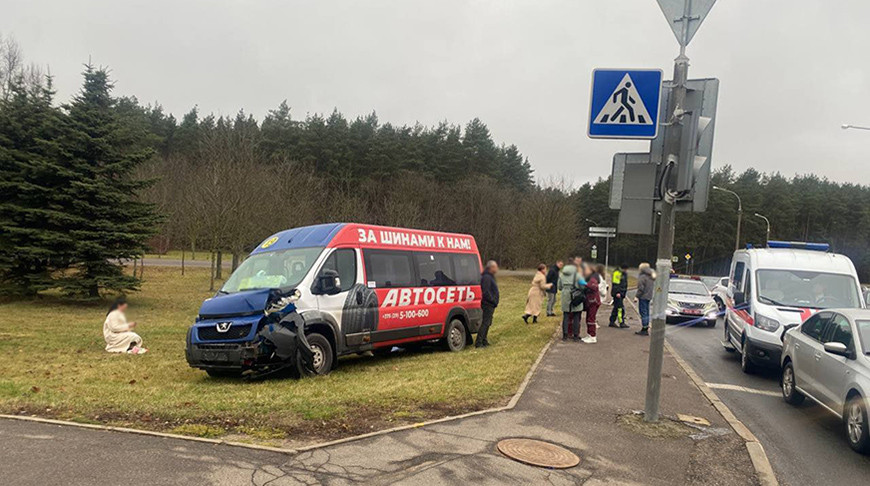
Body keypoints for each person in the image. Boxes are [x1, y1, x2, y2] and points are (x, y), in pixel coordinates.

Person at [560, 257, 586, 341]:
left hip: (565, 295)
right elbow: (582, 286)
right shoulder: (577, 275)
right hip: (575, 295)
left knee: (566, 316)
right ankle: (575, 336)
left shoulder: (561, 274)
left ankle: (565, 335)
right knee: (576, 316)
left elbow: (559, 287)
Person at [476, 260, 499, 348]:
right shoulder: (486, 277)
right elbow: (486, 291)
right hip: (487, 303)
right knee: (485, 322)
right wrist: (492, 300)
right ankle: (479, 342)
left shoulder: (490, 277)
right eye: (495, 267)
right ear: (491, 267)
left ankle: (484, 340)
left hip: (491, 304)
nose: (497, 269)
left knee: (488, 322)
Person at [581, 264, 601, 343]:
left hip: (593, 301)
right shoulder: (590, 278)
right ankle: (589, 334)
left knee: (591, 319)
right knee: (588, 318)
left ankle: (593, 336)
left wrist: (585, 284)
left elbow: (594, 287)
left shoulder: (593, 278)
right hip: (590, 301)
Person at [635, 262, 655, 336]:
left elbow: (641, 288)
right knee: (646, 312)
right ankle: (646, 327)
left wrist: (637, 296)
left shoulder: (642, 276)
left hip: (643, 296)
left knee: (643, 312)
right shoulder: (651, 276)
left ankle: (644, 328)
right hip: (649, 296)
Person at [609, 264, 630, 329]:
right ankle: (621, 322)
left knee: (616, 308)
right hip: (618, 294)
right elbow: (616, 284)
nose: (626, 271)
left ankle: (612, 321)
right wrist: (617, 292)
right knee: (620, 308)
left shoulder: (624, 274)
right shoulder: (617, 273)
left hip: (621, 293)